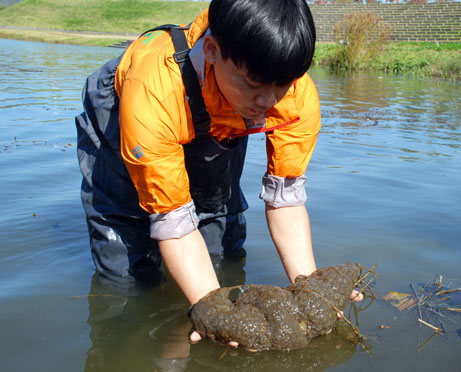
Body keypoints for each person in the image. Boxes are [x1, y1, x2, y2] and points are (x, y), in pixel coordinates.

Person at [76, 0, 361, 345]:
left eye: (282, 84)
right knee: (127, 271)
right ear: (211, 50)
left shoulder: (294, 95)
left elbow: (285, 202)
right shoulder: (152, 90)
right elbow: (174, 223)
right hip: (131, 116)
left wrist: (315, 293)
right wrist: (218, 317)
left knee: (221, 252)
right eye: (254, 84)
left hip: (220, 119)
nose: (269, 101)